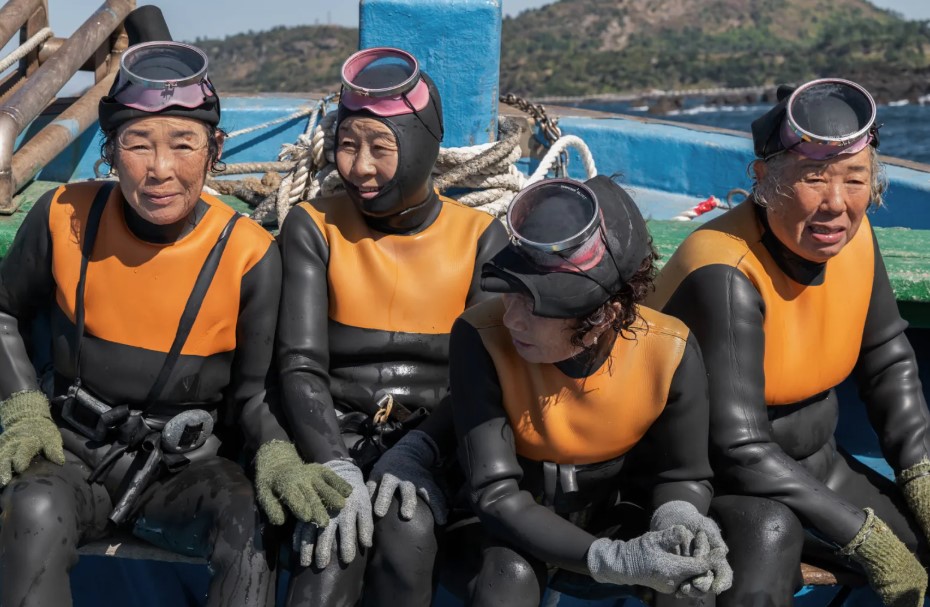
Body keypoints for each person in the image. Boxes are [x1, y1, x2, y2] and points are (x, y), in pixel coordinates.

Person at [0, 7, 350, 607]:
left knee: (251, 524)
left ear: (214, 150)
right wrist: (24, 405)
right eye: (137, 144)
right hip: (69, 450)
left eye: (183, 144)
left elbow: (255, 393)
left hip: (184, 470)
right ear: (109, 153)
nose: (160, 170)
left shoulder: (248, 255)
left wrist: (276, 454)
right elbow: (3, 311)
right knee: (30, 507)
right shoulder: (62, 217)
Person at [647, 78, 930, 607]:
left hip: (820, 467)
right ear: (765, 179)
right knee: (770, 536)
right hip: (711, 482)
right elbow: (740, 448)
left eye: (854, 180)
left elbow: (888, 360)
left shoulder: (854, 236)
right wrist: (862, 538)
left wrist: (921, 473)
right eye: (813, 178)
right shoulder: (725, 270)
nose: (835, 205)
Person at [276, 47, 509, 606]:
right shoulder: (314, 227)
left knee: (408, 530)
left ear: (424, 144)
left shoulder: (481, 239)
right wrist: (333, 462)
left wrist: (419, 451)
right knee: (326, 553)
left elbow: (479, 378)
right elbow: (299, 365)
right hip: (336, 435)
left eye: (380, 147)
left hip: (437, 443)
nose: (360, 167)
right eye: (348, 145)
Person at [447, 176, 733, 607]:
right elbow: (495, 495)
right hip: (500, 530)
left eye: (536, 305)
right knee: (508, 576)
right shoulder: (479, 336)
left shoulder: (669, 349)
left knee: (687, 582)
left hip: (606, 513)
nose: (512, 320)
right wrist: (610, 559)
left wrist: (681, 517)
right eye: (511, 293)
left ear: (605, 315)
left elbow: (682, 474)